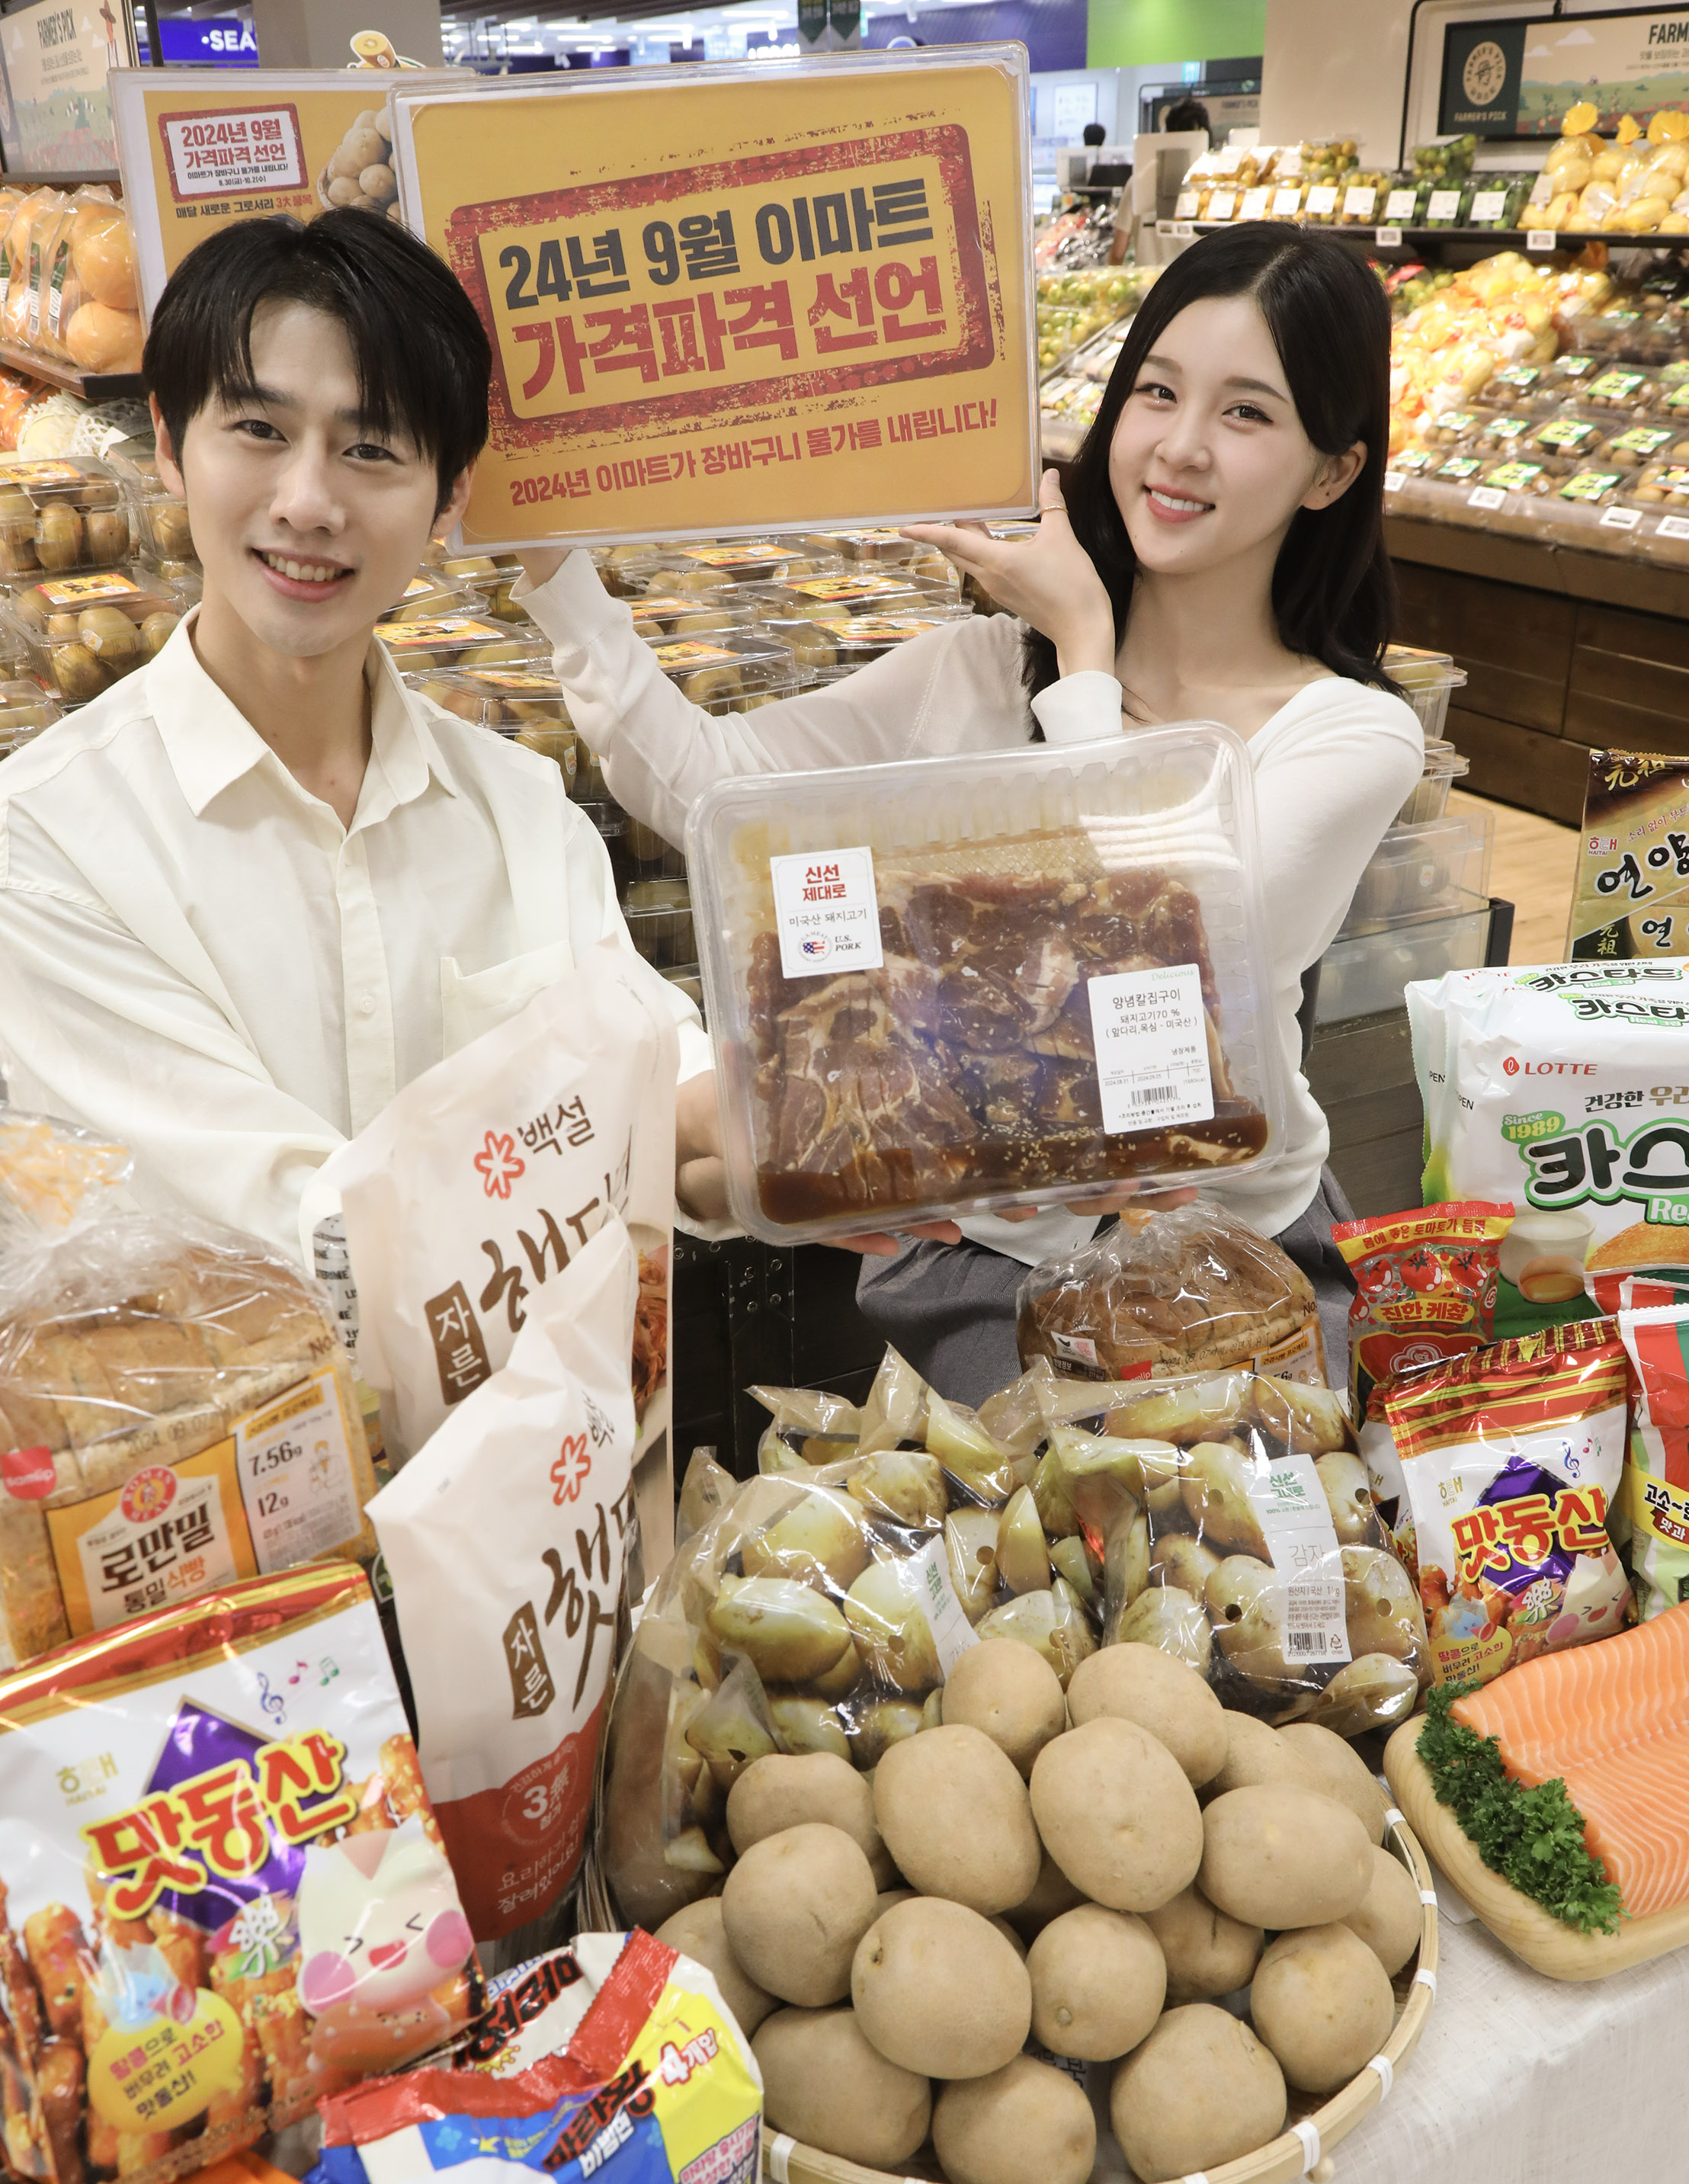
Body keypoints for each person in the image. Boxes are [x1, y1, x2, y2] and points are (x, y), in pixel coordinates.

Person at [505, 222, 1428, 1399]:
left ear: (1332, 472)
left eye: (1246, 413)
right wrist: (555, 573)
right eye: (1156, 392)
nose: (1180, 446)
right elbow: (706, 787)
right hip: (977, 1250)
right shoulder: (981, 669)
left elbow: (1163, 968)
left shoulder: (1348, 735)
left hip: (1226, 1258)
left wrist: (1086, 650)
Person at [0, 210, 721, 1263]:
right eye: (260, 431)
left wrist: (750, 1132)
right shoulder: (47, 847)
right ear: (168, 442)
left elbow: (649, 1067)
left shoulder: (522, 812)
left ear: (450, 495)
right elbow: (287, 1230)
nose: (308, 503)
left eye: (371, 449)